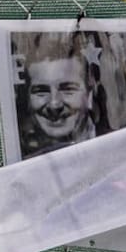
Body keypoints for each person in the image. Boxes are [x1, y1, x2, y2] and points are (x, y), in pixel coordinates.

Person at [16, 31, 110, 159]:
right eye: (41, 91)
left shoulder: (119, 149)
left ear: (89, 93)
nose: (54, 104)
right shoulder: (16, 159)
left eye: (68, 89)